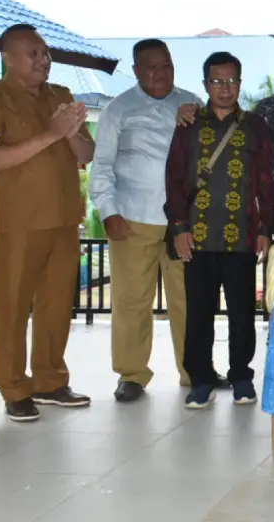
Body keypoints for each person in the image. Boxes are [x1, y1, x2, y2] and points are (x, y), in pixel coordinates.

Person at [0, 24, 94, 422]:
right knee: (13, 307)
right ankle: (13, 386)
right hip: (16, 223)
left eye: (45, 54)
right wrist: (51, 133)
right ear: (8, 57)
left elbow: (87, 153)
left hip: (63, 218)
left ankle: (50, 381)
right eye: (33, 54)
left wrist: (70, 132)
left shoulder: (61, 96)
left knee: (57, 305)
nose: (44, 61)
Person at [90, 39, 207, 403]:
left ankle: (194, 370)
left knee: (189, 299)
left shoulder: (192, 104)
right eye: (151, 67)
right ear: (137, 70)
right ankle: (131, 374)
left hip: (182, 223)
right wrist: (108, 211)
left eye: (166, 65)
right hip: (132, 218)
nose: (160, 73)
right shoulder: (118, 108)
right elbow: (102, 165)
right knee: (131, 301)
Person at [164, 52, 274, 410]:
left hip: (241, 234)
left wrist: (266, 228)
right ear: (205, 84)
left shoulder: (255, 126)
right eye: (216, 81)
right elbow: (175, 179)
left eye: (231, 81)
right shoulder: (190, 125)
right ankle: (200, 379)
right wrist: (179, 227)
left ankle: (241, 377)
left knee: (243, 311)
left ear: (240, 83)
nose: (225, 89)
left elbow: (266, 182)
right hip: (197, 235)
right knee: (198, 312)